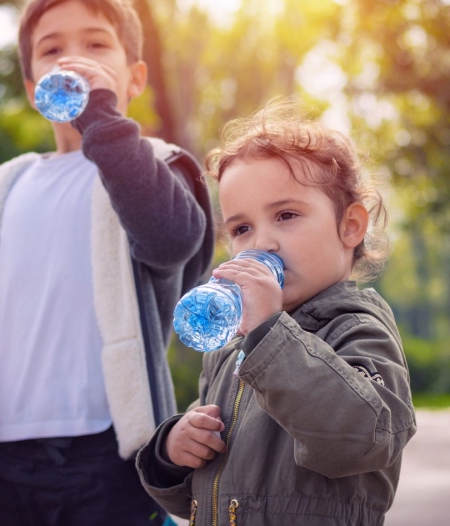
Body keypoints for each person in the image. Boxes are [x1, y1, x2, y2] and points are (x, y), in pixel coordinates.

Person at [0, 0, 214, 525]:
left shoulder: (152, 166)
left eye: (96, 44)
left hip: (111, 453)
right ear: (34, 86)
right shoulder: (1, 191)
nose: (75, 59)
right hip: (10, 459)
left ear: (133, 78)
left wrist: (104, 119)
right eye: (53, 48)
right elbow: (3, 327)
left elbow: (173, 238)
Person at [136, 101, 417, 526]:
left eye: (286, 215)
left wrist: (270, 334)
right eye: (242, 229)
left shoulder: (356, 327)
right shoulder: (233, 345)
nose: (260, 244)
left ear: (351, 226)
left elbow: (364, 438)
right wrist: (174, 452)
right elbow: (208, 493)